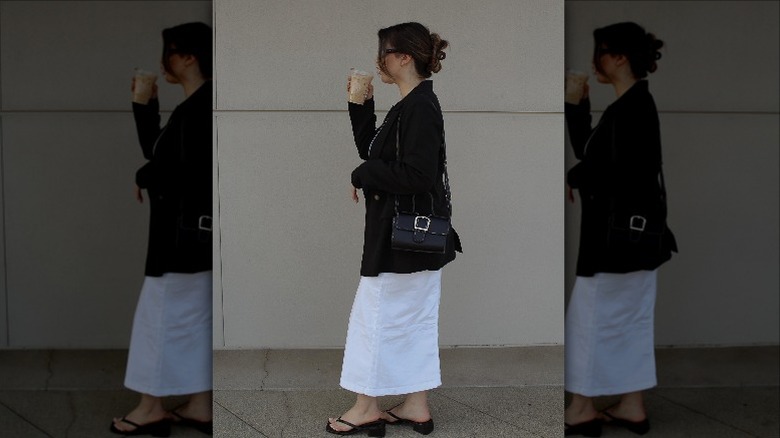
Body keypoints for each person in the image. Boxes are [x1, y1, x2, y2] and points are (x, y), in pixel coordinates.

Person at [326, 22, 462, 437]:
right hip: (417, 238)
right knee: (414, 320)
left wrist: (363, 173)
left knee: (376, 317)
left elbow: (418, 174)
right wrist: (360, 109)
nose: (377, 61)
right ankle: (417, 405)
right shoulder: (411, 104)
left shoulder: (418, 106)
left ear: (403, 56)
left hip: (400, 239)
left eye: (382, 52)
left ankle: (366, 408)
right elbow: (374, 153)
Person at [563, 22, 678, 437]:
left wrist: (576, 177)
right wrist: (577, 107)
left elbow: (618, 171)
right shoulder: (629, 106)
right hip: (635, 242)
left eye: (600, 54)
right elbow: (593, 153)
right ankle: (632, 404)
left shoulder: (632, 109)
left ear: (619, 57)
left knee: (590, 320)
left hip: (614, 243)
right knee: (628, 320)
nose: (595, 62)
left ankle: (580, 408)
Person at [111, 22, 213, 437]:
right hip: (194, 238)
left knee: (159, 319)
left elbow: (180, 172)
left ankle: (150, 407)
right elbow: (162, 156)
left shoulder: (197, 109)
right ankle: (201, 404)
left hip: (179, 239)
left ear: (188, 56)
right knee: (191, 320)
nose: (162, 62)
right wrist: (146, 109)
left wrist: (146, 175)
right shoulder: (198, 105)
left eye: (169, 52)